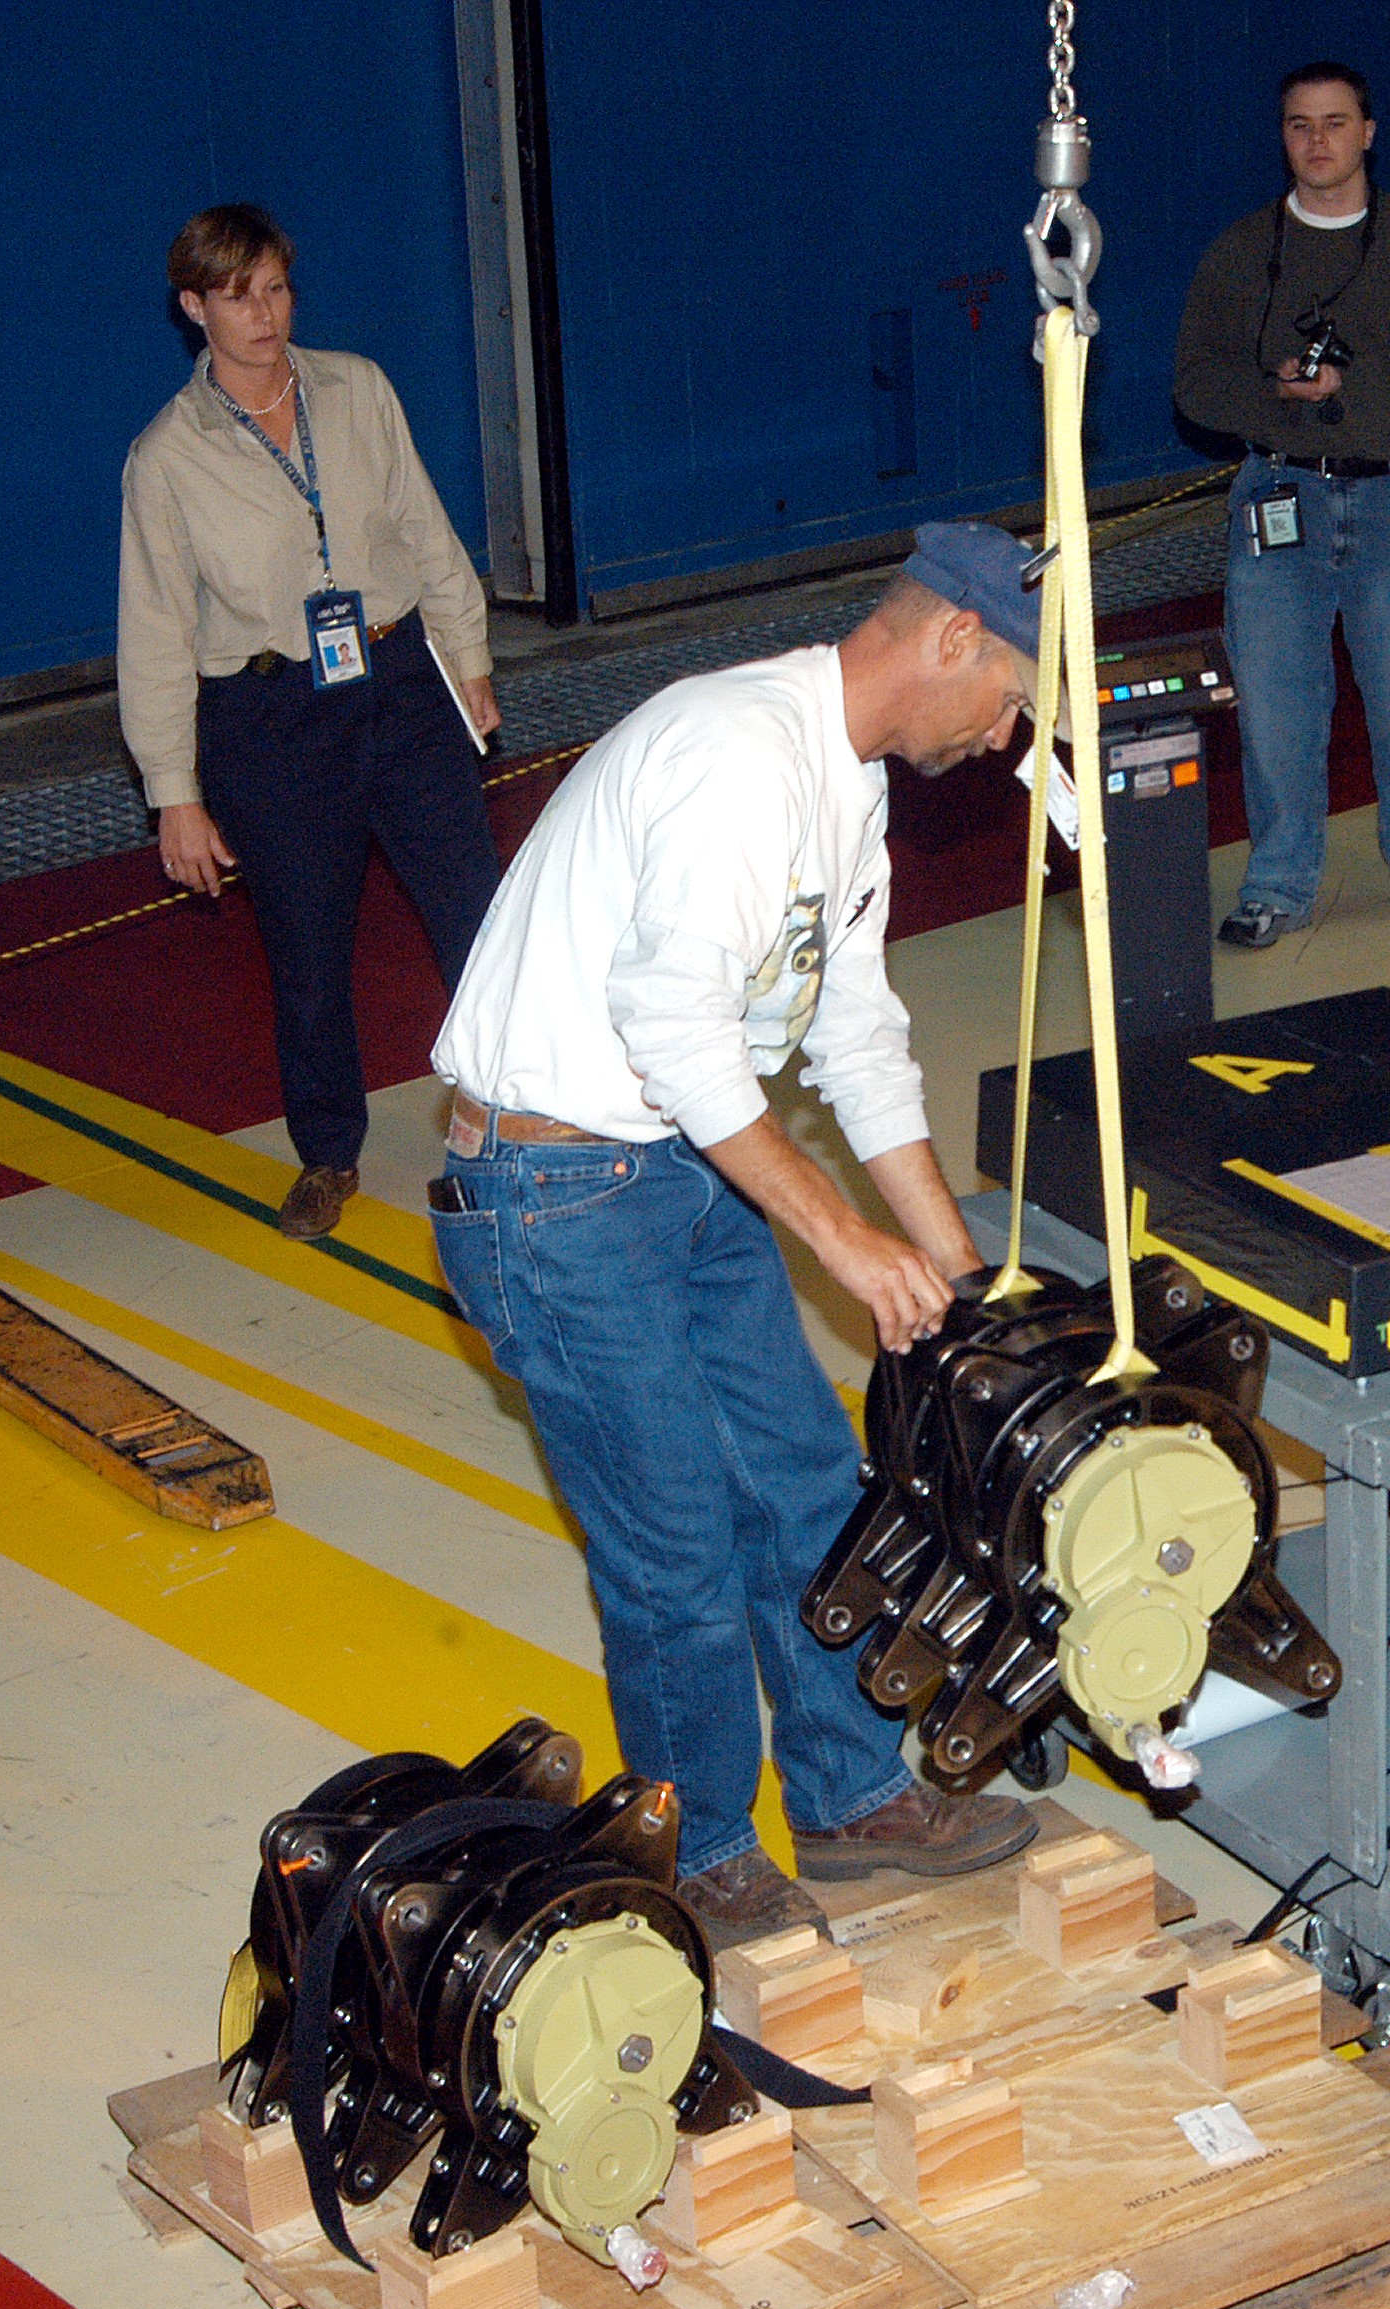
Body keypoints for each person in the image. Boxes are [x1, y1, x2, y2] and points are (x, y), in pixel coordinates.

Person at [429, 523, 1051, 1947]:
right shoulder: (734, 754)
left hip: (675, 1172)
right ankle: (696, 1850)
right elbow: (679, 1036)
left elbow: (854, 1034)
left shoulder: (845, 794)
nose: (1006, 734)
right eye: (1014, 698)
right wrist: (841, 1237)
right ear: (954, 636)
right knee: (678, 1552)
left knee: (809, 1488)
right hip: (554, 1195)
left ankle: (845, 1801)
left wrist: (961, 1278)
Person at [120, 205, 505, 1239]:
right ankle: (329, 1150)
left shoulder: (358, 387)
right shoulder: (166, 458)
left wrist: (467, 657)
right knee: (307, 950)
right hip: (271, 717)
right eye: (239, 295)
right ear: (193, 306)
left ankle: (511, 1123)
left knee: (480, 912)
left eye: (279, 288)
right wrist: (176, 796)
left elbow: (424, 525)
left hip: (401, 681)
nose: (266, 314)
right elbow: (154, 633)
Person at [1172, 59, 1390, 948]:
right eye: (1299, 126)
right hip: (1277, 504)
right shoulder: (1241, 252)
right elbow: (1196, 382)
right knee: (1276, 707)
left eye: (1334, 123)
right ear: (1283, 137)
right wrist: (1274, 396)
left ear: (1368, 132)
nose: (1317, 142)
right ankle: (1277, 882)